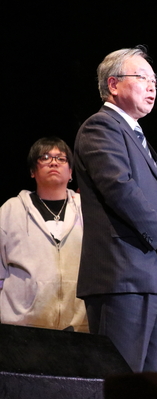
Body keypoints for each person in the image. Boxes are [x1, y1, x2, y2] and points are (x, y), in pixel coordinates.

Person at [74, 46, 157, 373]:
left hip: (151, 277)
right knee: (120, 382)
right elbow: (121, 189)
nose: (152, 86)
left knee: (148, 385)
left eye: (155, 80)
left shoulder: (135, 134)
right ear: (113, 85)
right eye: (142, 78)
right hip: (122, 278)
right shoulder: (100, 127)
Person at [0, 137, 87, 332]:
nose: (53, 162)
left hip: (78, 326)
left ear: (71, 172)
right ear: (33, 171)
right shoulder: (10, 210)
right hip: (22, 329)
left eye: (61, 158)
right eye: (45, 157)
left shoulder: (87, 210)